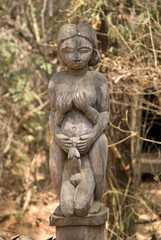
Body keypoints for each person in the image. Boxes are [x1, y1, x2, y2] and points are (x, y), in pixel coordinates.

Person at [48, 23, 109, 217]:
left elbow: (105, 114)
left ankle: (98, 198)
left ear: (92, 51)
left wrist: (90, 132)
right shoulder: (56, 80)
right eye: (67, 51)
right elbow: (52, 116)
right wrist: (58, 135)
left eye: (83, 50)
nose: (75, 57)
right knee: (67, 209)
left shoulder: (98, 79)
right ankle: (61, 197)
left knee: (101, 142)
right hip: (64, 145)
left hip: (90, 143)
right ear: (60, 52)